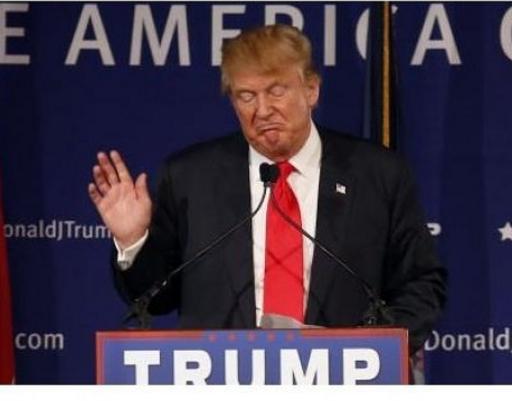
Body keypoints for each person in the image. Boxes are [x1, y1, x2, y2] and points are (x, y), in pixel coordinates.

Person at [88, 24, 446, 354]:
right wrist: (133, 242)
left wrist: (373, 348)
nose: (262, 110)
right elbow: (154, 300)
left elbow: (421, 284)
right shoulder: (189, 177)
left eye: (276, 91)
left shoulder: (377, 174)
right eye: (246, 96)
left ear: (311, 90)